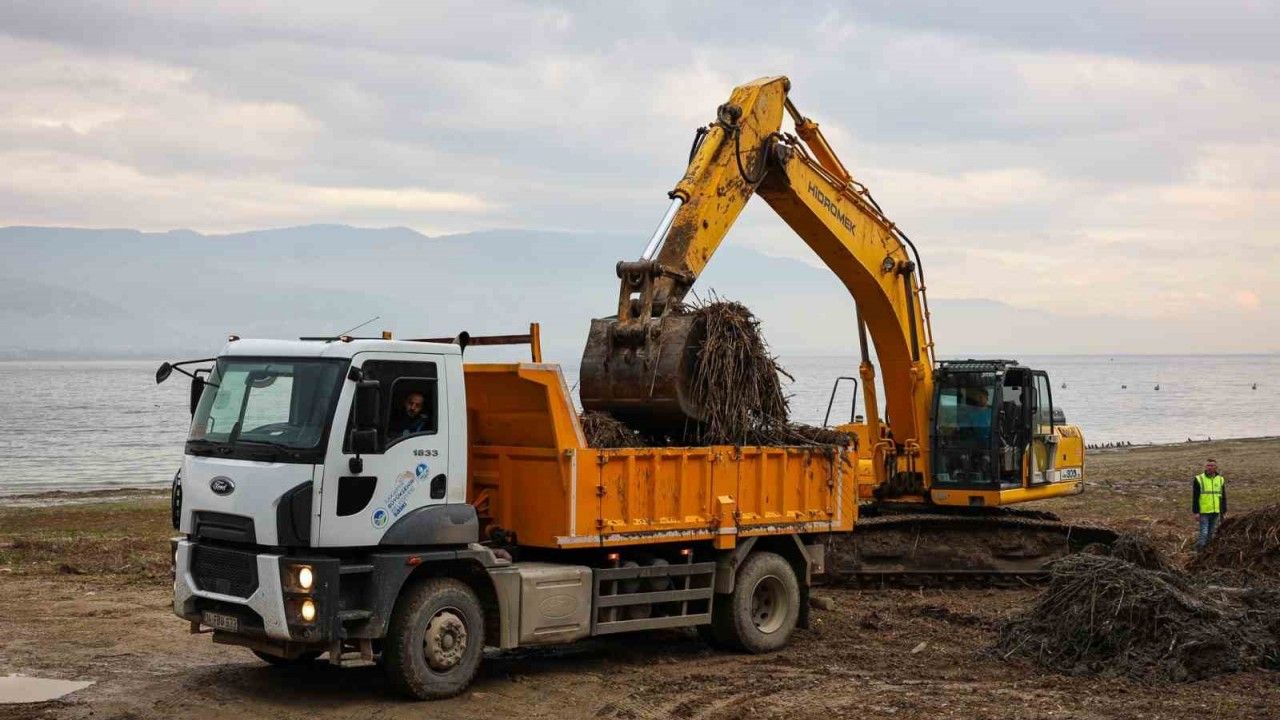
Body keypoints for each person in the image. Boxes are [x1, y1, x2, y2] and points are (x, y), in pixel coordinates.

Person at [1192, 458, 1226, 551]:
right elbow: (1195, 497)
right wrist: (1196, 512)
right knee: (1204, 533)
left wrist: (1224, 510)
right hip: (1204, 511)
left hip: (1216, 511)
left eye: (1212, 466)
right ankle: (1198, 551)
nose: (1209, 467)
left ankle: (1206, 552)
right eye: (1208, 465)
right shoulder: (1199, 479)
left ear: (1216, 467)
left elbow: (1223, 496)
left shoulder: (1220, 479)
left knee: (1211, 533)